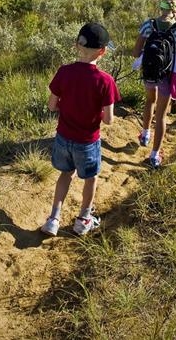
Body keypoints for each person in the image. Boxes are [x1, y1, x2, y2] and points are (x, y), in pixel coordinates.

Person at [40, 22, 121, 237]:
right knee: (91, 178)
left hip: (63, 137)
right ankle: (84, 218)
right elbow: (109, 120)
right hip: (87, 141)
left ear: (77, 45)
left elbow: (51, 105)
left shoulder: (64, 72)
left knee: (65, 174)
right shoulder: (105, 81)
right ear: (102, 51)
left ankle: (53, 219)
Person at [133, 0, 176, 169]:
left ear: (161, 7)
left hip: (149, 72)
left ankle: (144, 134)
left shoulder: (147, 26)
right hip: (167, 77)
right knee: (161, 115)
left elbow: (135, 53)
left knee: (150, 100)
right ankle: (154, 154)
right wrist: (175, 58)